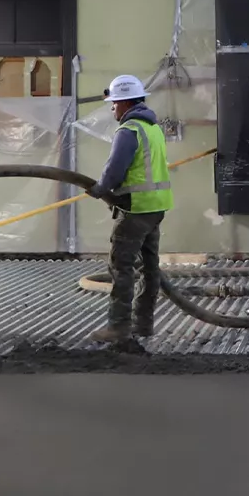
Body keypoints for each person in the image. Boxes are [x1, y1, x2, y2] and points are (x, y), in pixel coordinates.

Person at [88, 75, 172, 347]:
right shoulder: (153, 128)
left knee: (121, 266)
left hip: (135, 209)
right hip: (155, 207)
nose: (112, 108)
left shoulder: (129, 130)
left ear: (124, 102)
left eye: (113, 103)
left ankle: (119, 326)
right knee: (149, 267)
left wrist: (100, 188)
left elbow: (115, 169)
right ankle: (144, 324)